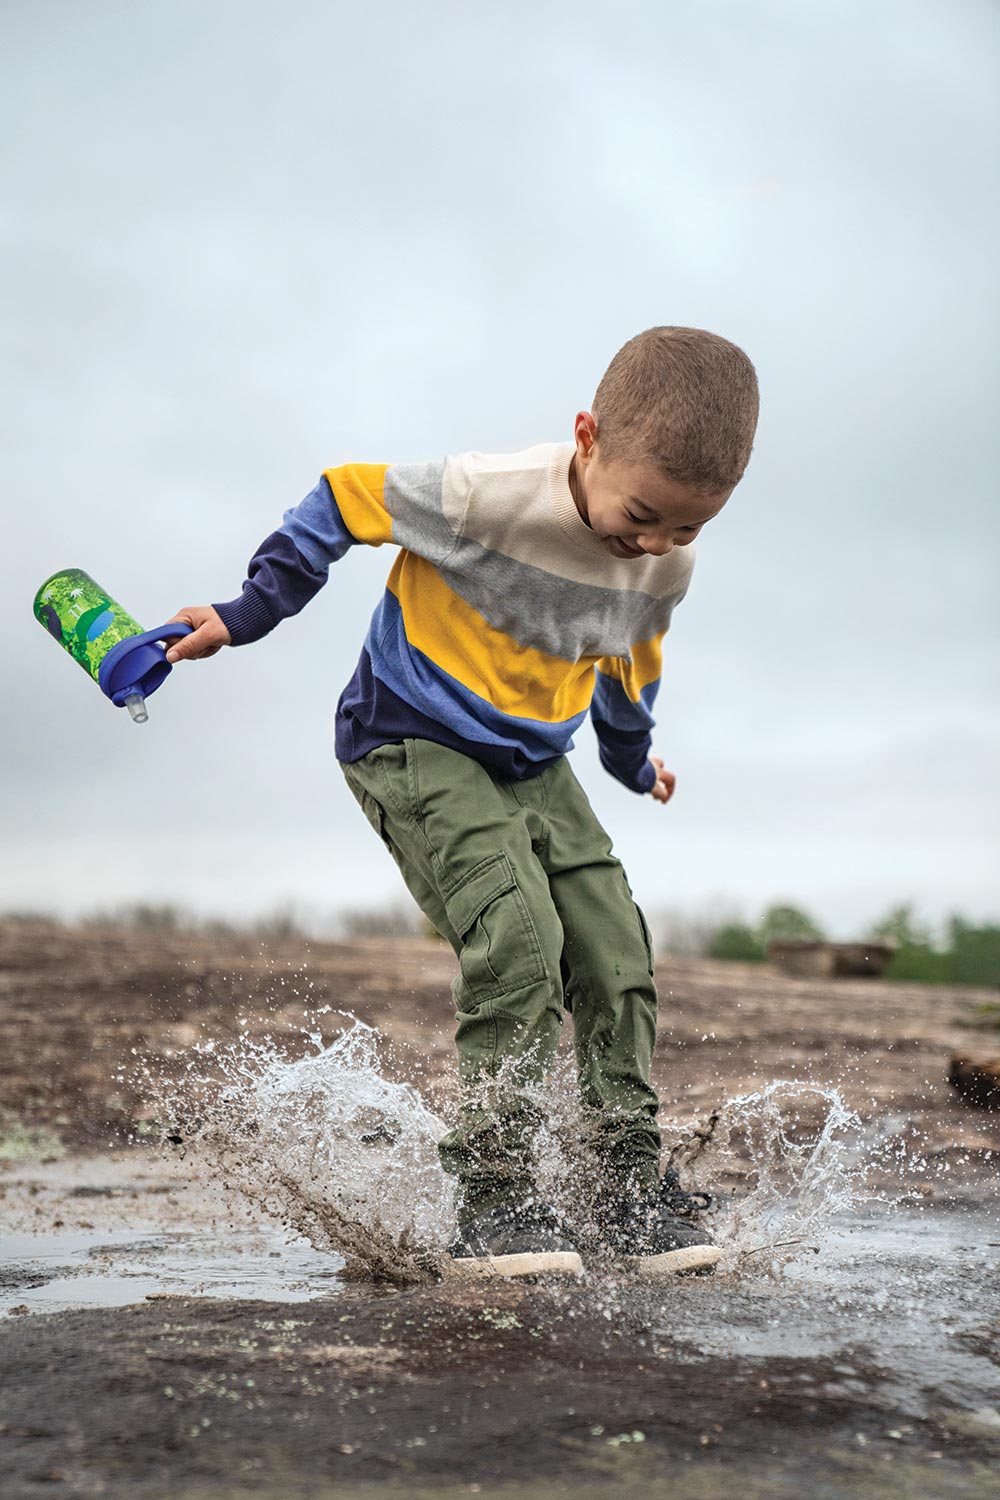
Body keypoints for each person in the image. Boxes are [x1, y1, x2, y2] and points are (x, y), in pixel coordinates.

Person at [166, 326, 759, 1279]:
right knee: (521, 942)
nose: (654, 544)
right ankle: (495, 1196)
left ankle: (626, 1188)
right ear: (588, 437)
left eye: (687, 529)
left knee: (612, 951)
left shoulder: (663, 565)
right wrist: (246, 614)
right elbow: (341, 498)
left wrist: (633, 761)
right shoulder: (488, 496)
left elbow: (629, 658)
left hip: (534, 758)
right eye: (645, 513)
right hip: (412, 735)